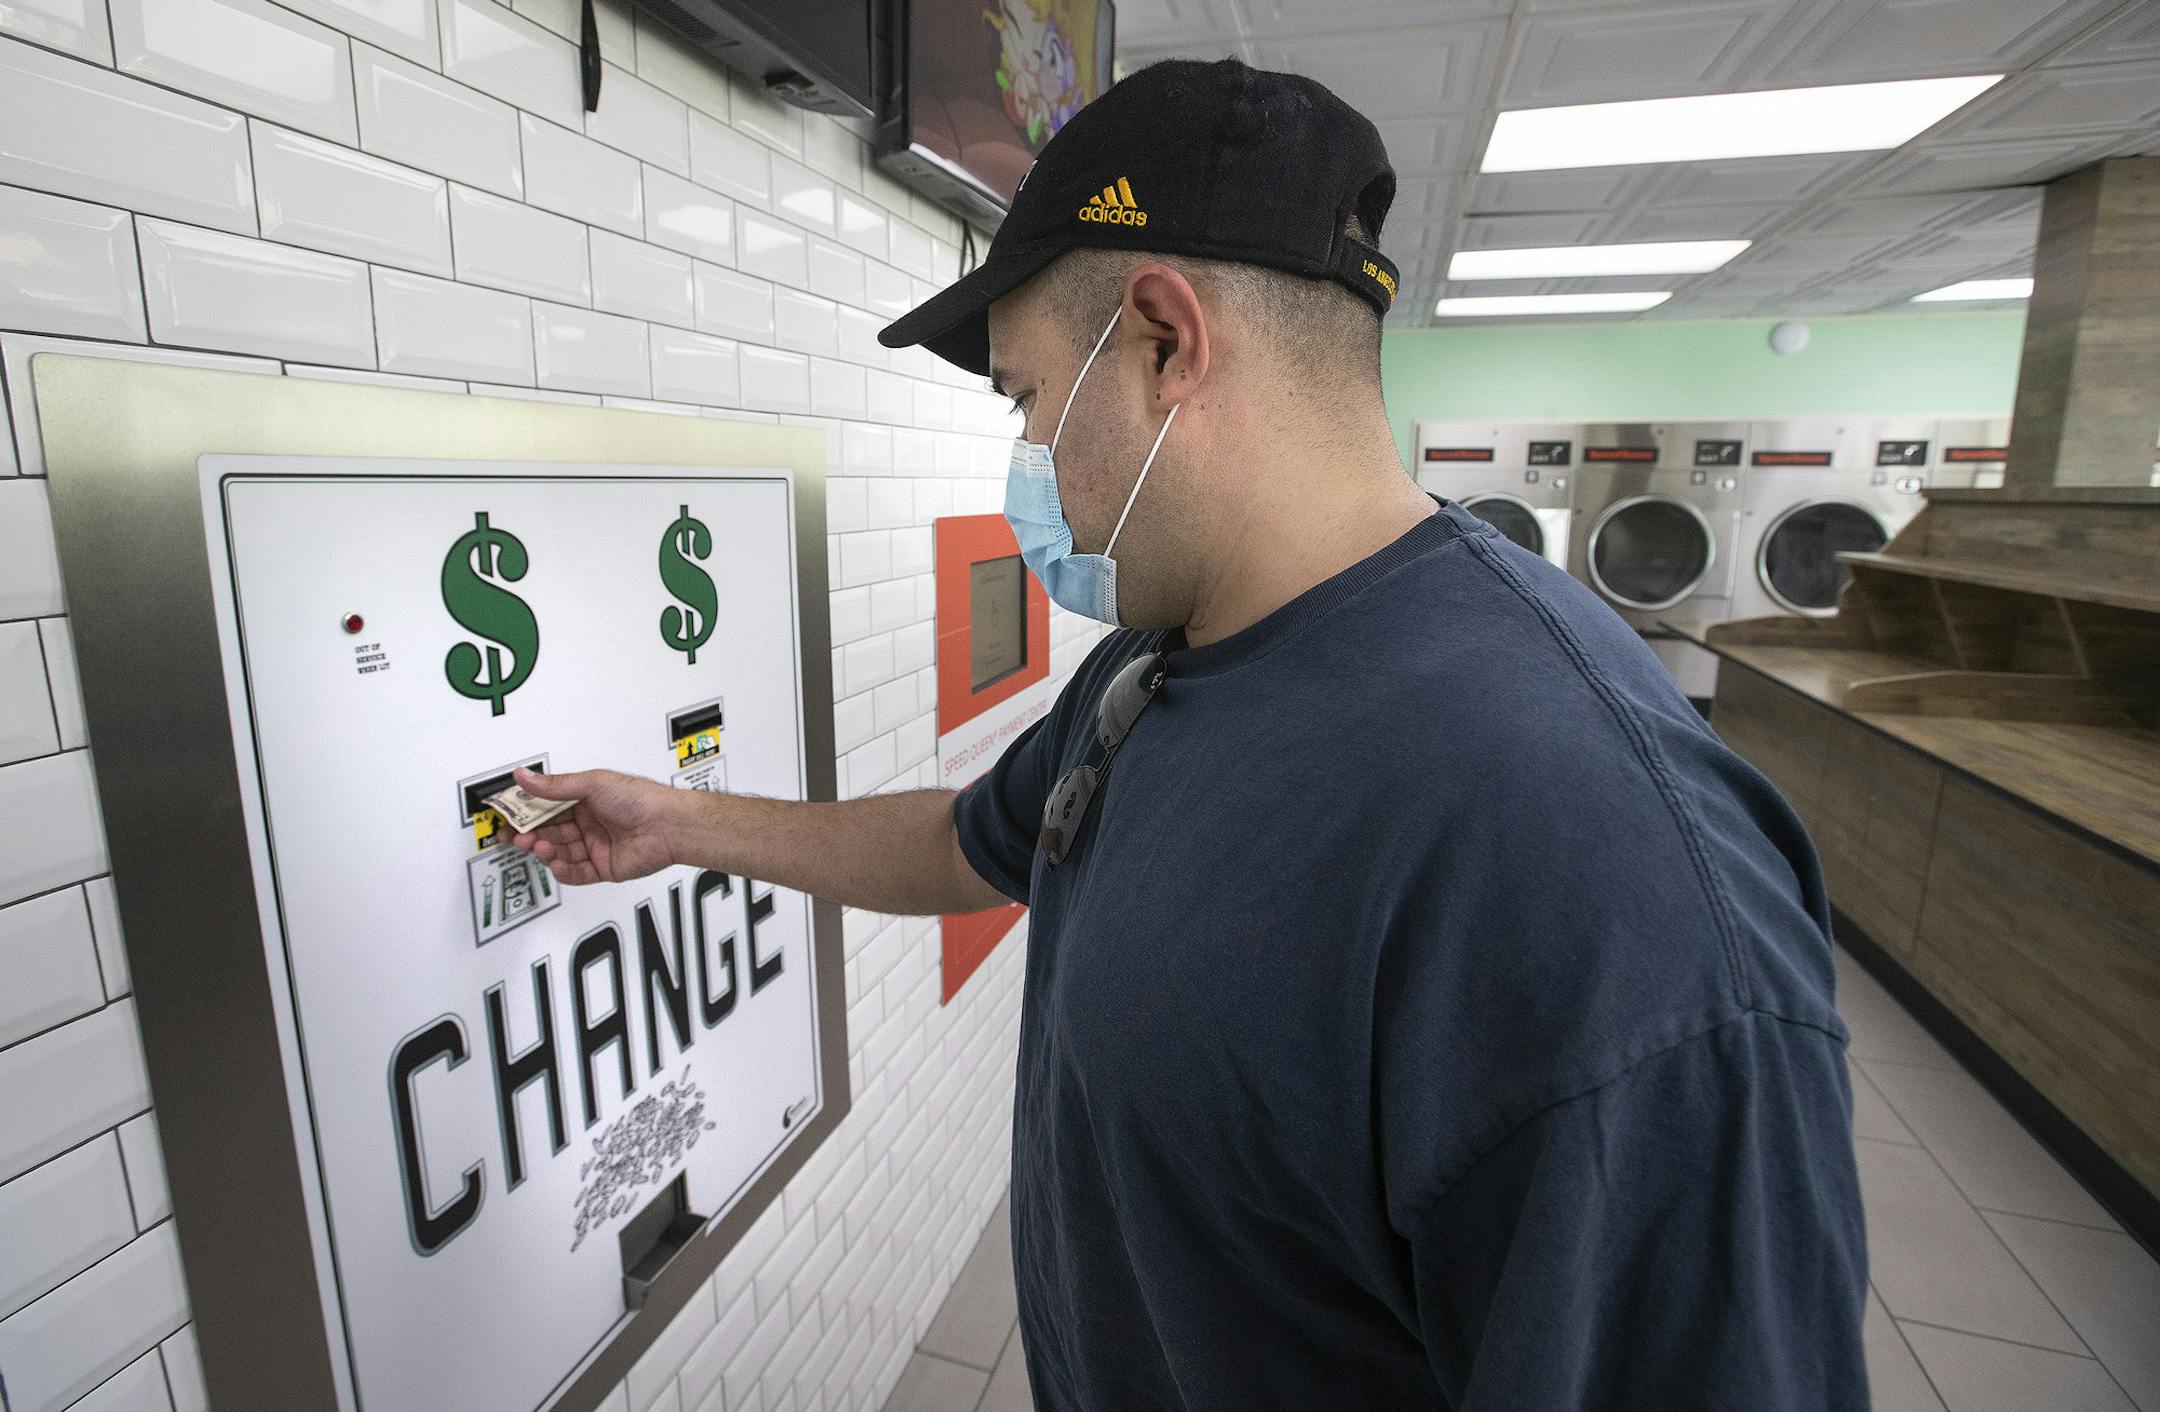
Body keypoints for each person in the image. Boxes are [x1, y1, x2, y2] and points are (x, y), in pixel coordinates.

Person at [509, 57, 1869, 1411]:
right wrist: (680, 823)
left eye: (1028, 399)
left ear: (1164, 341)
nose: (1026, 460)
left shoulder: (1597, 866)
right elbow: (968, 843)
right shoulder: (1156, 668)